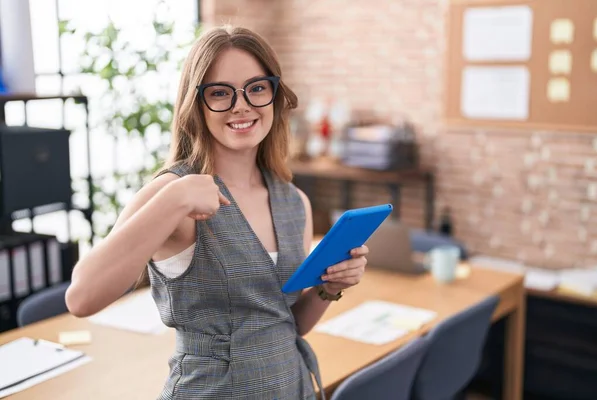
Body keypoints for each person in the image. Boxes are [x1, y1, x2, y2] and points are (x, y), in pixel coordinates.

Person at [65, 25, 369, 400]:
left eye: (257, 88)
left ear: (274, 94)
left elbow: (285, 325)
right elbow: (81, 298)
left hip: (293, 387)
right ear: (197, 105)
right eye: (220, 93)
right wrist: (174, 200)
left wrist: (328, 287)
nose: (242, 105)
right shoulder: (171, 193)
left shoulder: (293, 202)